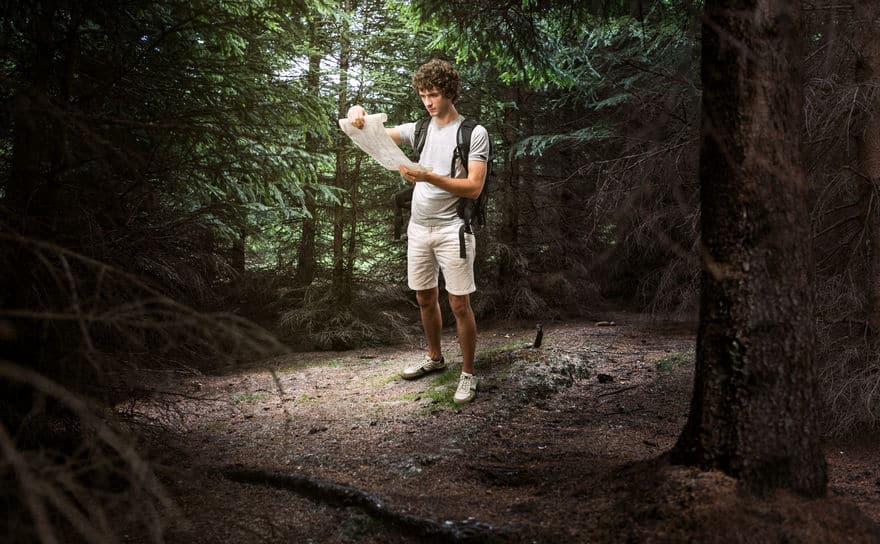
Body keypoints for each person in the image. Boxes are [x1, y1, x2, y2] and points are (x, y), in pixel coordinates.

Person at [347, 59, 489, 404]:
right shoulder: (419, 128)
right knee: (424, 297)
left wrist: (428, 176)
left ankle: (468, 374)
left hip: (453, 228)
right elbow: (371, 134)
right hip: (418, 228)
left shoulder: (473, 132)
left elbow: (473, 187)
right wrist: (357, 111)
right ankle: (435, 358)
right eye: (423, 95)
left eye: (434, 94)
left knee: (458, 303)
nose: (428, 101)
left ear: (450, 93)